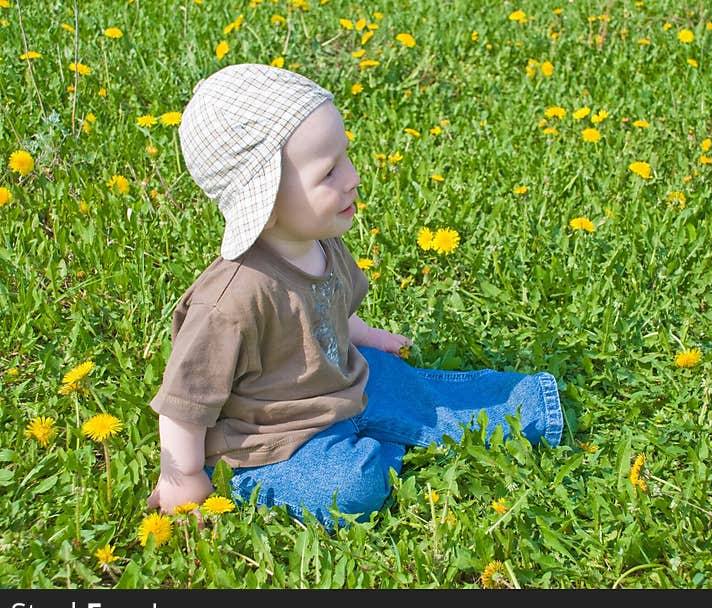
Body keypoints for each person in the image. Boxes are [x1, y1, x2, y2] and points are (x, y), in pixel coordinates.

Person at [146, 63, 564, 529]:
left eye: (345, 157)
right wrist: (182, 478)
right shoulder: (229, 301)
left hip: (344, 381)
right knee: (352, 490)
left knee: (419, 388)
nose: (353, 177)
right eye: (329, 172)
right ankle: (344, 456)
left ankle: (528, 403)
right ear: (262, 202)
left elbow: (330, 315)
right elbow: (185, 403)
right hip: (273, 440)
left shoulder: (324, 245)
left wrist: (367, 335)